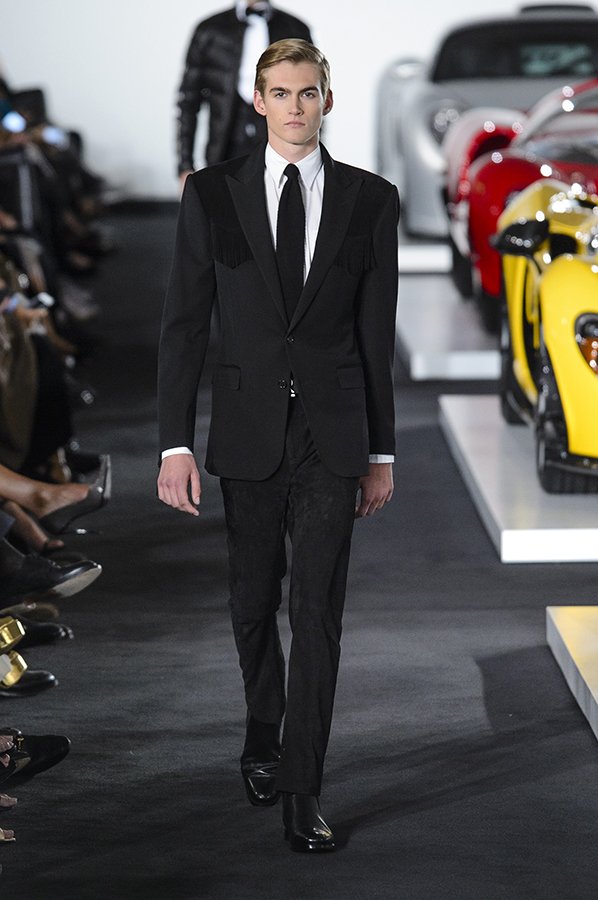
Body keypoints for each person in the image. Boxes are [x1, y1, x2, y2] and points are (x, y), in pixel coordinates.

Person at [157, 39, 399, 853]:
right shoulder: (213, 194)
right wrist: (173, 444)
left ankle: (302, 786)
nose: (296, 107)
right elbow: (184, 323)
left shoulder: (371, 199)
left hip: (332, 435)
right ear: (257, 101)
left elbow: (376, 335)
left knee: (317, 613)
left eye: (308, 92)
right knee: (252, 601)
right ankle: (264, 727)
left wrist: (383, 453)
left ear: (328, 98)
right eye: (281, 92)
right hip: (246, 427)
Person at [176, 1, 312, 189]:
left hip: (282, 150)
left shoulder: (295, 28)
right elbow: (188, 101)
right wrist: (185, 166)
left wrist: (312, 162)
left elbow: (313, 96)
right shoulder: (210, 30)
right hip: (224, 148)